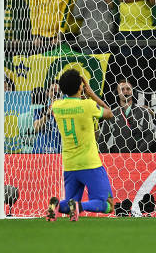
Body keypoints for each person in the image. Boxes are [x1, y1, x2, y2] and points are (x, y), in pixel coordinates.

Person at [45, 69, 115, 222]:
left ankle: (56, 206)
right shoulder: (88, 105)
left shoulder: (56, 106)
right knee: (108, 204)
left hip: (70, 165)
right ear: (81, 87)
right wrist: (91, 93)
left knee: (69, 202)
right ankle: (79, 207)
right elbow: (109, 113)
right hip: (90, 163)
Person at [98, 79, 156, 153]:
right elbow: (101, 140)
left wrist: (138, 153)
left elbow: (150, 135)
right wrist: (108, 158)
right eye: (122, 89)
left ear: (133, 92)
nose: (125, 91)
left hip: (138, 159)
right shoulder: (111, 114)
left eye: (128, 89)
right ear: (117, 93)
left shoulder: (143, 112)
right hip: (118, 159)